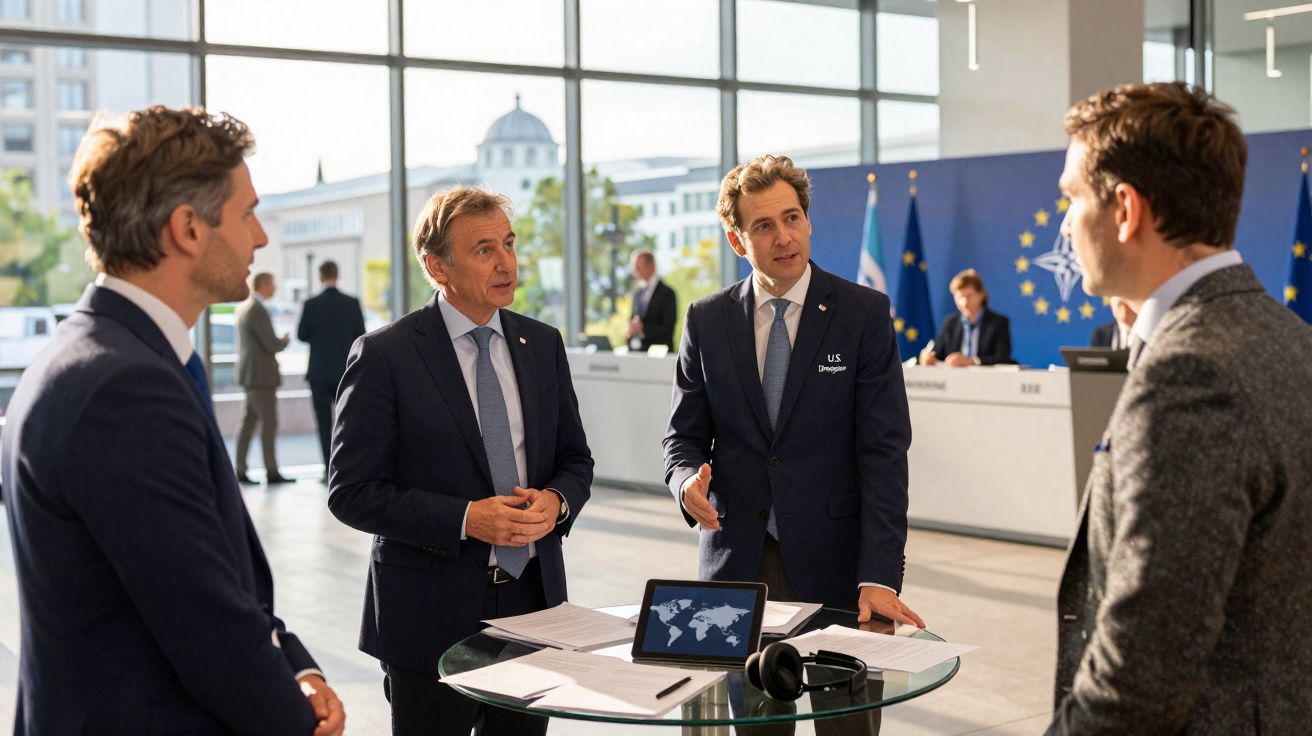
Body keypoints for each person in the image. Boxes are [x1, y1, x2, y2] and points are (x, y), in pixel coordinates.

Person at [0, 106, 344, 735]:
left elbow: (214, 573)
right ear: (187, 228)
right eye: (247, 214)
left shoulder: (105, 354)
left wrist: (295, 665)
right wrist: (293, 718)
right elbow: (202, 619)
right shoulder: (124, 387)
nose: (260, 238)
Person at [1049, 81, 1312, 733]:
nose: (1065, 224)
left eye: (1072, 198)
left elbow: (1140, 677)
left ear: (1126, 210)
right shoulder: (1290, 339)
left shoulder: (1188, 377)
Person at [328, 186, 593, 736]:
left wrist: (557, 501)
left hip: (533, 605)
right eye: (483, 250)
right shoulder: (385, 355)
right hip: (429, 615)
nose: (506, 263)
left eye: (509, 244)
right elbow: (351, 492)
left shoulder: (542, 344)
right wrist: (467, 519)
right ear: (437, 266)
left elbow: (575, 458)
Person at [664, 154, 922, 628]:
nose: (784, 237)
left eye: (792, 218)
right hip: (734, 562)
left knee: (837, 679)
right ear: (736, 240)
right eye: (763, 226)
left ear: (808, 221)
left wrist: (881, 575)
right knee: (732, 682)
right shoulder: (706, 320)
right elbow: (683, 437)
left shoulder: (863, 314)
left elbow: (884, 453)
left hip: (838, 566)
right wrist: (685, 484)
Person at [296, 260, 366, 477]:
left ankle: (329, 468)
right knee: (347, 422)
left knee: (323, 423)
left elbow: (301, 335)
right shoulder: (351, 303)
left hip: (318, 373)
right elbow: (361, 335)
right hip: (345, 372)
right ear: (338, 275)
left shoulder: (311, 304)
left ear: (320, 276)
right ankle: (347, 467)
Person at [235, 271, 292, 484]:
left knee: (248, 423)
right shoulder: (256, 309)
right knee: (269, 423)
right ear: (264, 285)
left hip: (252, 375)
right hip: (260, 376)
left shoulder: (246, 307)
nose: (274, 288)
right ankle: (271, 471)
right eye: (272, 284)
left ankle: (240, 469)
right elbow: (270, 344)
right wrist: (283, 342)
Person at [919, 269, 1013, 366]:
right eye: (959, 297)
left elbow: (1003, 358)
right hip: (954, 375)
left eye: (969, 296)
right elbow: (937, 352)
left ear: (981, 295)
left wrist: (971, 361)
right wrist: (928, 357)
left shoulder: (998, 322)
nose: (964, 302)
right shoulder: (950, 322)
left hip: (986, 375)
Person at [626, 248, 677, 351]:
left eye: (638, 268)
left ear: (650, 266)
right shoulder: (637, 294)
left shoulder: (667, 293)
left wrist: (643, 329)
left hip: (661, 354)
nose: (635, 272)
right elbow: (633, 319)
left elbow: (668, 329)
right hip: (638, 353)